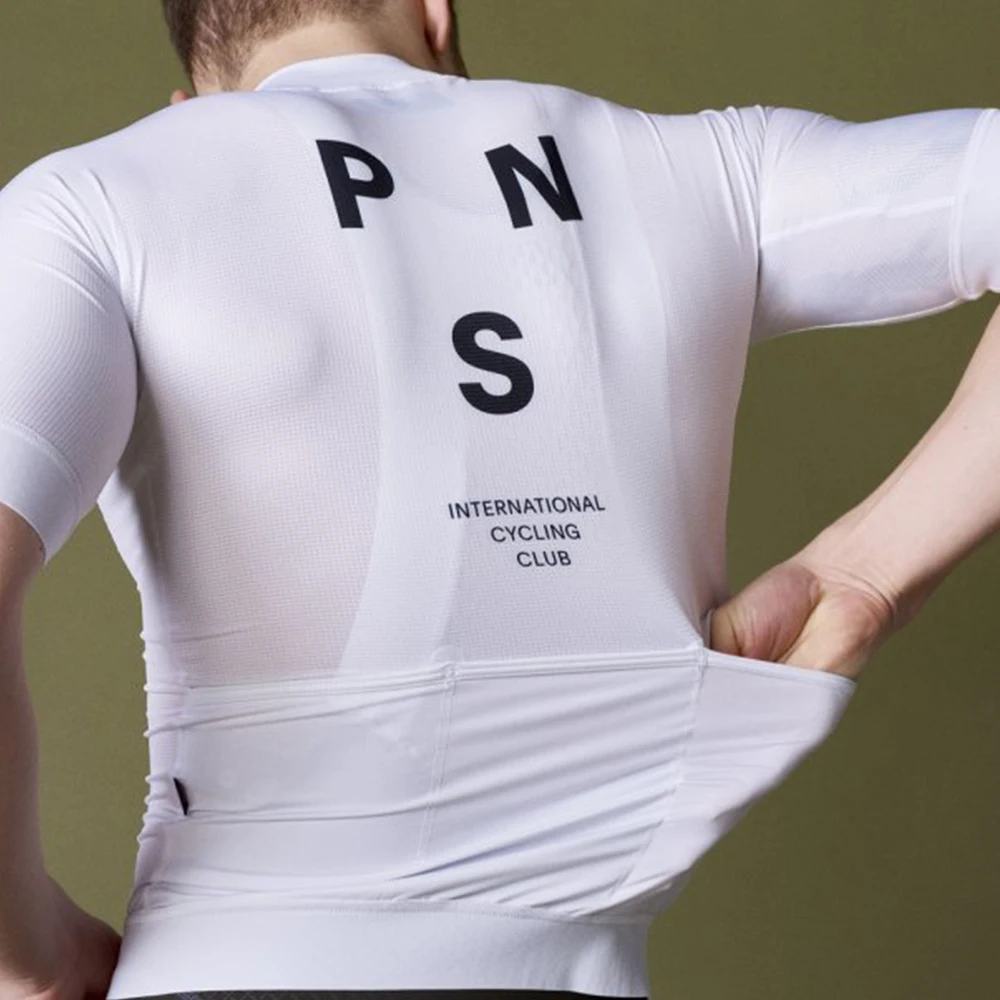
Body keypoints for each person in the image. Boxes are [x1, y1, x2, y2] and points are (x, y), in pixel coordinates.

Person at [2, 0, 1000, 998]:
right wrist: (866, 572)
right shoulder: (701, 169)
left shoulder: (106, 199)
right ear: (435, 13)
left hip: (226, 963)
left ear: (193, 100)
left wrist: (37, 959)